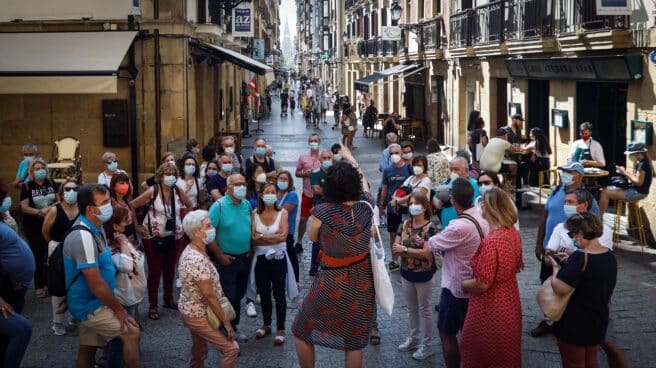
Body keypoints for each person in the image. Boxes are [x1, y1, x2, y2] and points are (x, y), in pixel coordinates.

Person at [292, 159, 376, 368]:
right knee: (354, 343)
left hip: (332, 280)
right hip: (362, 280)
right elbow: (364, 183)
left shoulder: (322, 212)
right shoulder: (367, 204)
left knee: (301, 329)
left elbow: (312, 237)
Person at [63, 184, 141, 368]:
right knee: (131, 333)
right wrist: (119, 310)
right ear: (90, 209)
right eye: (105, 202)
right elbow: (96, 282)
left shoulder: (96, 228)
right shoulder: (83, 235)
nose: (110, 206)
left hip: (92, 302)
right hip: (91, 306)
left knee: (87, 348)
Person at [426, 178, 490, 368]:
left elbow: (433, 243)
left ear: (453, 200)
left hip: (457, 287)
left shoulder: (458, 226)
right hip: (474, 283)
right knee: (470, 333)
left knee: (446, 332)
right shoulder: (480, 216)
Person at [532, 161, 600, 337]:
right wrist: (540, 242)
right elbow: (545, 216)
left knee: (570, 289)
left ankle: (567, 321)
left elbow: (596, 226)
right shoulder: (556, 192)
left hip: (575, 256)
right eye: (564, 171)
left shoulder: (587, 198)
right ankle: (549, 319)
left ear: (580, 176)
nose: (565, 175)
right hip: (550, 249)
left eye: (569, 172)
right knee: (547, 284)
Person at [460, 187, 523, 367]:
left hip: (491, 306)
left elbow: (482, 284)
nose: (480, 207)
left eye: (483, 204)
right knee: (505, 355)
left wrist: (464, 284)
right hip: (510, 299)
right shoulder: (512, 232)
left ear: (490, 208)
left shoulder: (493, 240)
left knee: (480, 352)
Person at [548, 213, 617, 368]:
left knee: (573, 363)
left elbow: (559, 287)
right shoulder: (609, 255)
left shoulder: (580, 258)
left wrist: (556, 268)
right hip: (598, 319)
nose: (573, 238)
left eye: (573, 234)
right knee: (591, 362)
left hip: (575, 322)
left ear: (580, 233)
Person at [130, 163, 193, 320]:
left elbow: (190, 205)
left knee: (170, 269)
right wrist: (137, 227)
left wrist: (183, 221)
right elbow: (131, 205)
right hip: (153, 235)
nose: (170, 176)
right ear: (160, 175)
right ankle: (153, 305)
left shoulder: (177, 190)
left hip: (173, 235)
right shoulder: (153, 190)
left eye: (173, 173)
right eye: (167, 173)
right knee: (155, 271)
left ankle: (168, 299)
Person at [178, 210, 239, 368]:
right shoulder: (196, 259)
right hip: (198, 313)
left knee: (200, 348)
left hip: (194, 310)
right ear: (197, 232)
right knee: (231, 349)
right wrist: (227, 324)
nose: (212, 228)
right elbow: (210, 296)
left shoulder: (197, 250)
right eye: (208, 225)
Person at [247, 182, 298, 345]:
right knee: (264, 292)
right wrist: (269, 238)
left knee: (279, 293)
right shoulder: (255, 213)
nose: (270, 194)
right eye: (266, 192)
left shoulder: (282, 212)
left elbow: (283, 237)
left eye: (273, 192)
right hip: (261, 259)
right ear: (261, 195)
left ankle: (281, 328)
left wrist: (262, 238)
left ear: (277, 195)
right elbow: (253, 237)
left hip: (278, 259)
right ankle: (267, 324)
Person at [391, 193, 437, 360]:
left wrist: (405, 250)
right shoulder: (404, 224)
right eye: (410, 203)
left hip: (424, 274)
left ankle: (427, 345)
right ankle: (414, 338)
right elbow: (395, 246)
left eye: (417, 203)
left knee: (425, 309)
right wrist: (404, 251)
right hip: (406, 272)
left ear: (425, 206)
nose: (413, 206)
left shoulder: (430, 227)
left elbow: (426, 253)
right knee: (412, 309)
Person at [208, 174, 253, 344]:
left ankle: (230, 325)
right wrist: (219, 255)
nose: (241, 187)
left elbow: (251, 227)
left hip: (245, 258)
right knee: (229, 295)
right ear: (228, 188)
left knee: (239, 294)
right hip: (227, 259)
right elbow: (208, 233)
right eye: (237, 184)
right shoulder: (218, 207)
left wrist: (251, 248)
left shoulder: (247, 204)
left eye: (243, 183)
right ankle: (229, 329)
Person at [105, 205, 147, 368]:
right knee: (120, 339)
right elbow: (127, 266)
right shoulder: (113, 247)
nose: (130, 223)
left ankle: (130, 355)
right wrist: (123, 243)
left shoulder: (122, 240)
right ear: (115, 226)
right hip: (124, 299)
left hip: (133, 297)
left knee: (128, 333)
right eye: (126, 220)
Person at [0, 177, 35, 368]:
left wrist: (11, 276)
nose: (6, 199)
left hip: (13, 286)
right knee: (21, 329)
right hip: (6, 291)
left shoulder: (3, 218)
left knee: (6, 337)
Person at [42, 179, 80, 335]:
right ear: (61, 193)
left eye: (75, 189)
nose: (71, 192)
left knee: (77, 283)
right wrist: (54, 246)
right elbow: (45, 231)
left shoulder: (82, 208)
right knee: (58, 286)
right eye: (67, 189)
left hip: (77, 251)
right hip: (58, 249)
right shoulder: (55, 210)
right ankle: (57, 322)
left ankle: (76, 317)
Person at [20, 158, 56, 298]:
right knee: (38, 255)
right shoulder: (27, 186)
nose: (40, 171)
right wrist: (41, 212)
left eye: (42, 168)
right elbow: (24, 207)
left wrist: (49, 209)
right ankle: (39, 285)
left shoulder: (51, 182)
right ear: (32, 172)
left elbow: (59, 200)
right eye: (37, 169)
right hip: (33, 226)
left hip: (51, 223)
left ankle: (51, 283)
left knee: (51, 254)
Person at [379, 143, 411, 271]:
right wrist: (381, 206)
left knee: (408, 234)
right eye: (391, 154)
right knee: (393, 234)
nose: (394, 156)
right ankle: (394, 260)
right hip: (392, 208)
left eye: (396, 153)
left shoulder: (409, 169)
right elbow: (384, 189)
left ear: (402, 154)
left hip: (407, 207)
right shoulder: (387, 170)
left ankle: (408, 258)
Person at [599, 142, 654, 214]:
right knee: (606, 189)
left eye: (631, 154)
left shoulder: (643, 165)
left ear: (638, 153)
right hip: (635, 190)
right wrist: (623, 172)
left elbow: (639, 182)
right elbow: (636, 178)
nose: (630, 156)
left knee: (605, 193)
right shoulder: (642, 163)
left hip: (638, 193)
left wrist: (624, 172)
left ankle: (599, 219)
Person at [307, 150, 334, 275]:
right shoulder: (315, 173)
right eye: (325, 157)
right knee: (317, 240)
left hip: (335, 211)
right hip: (320, 211)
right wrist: (335, 191)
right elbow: (316, 190)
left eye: (329, 157)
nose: (327, 159)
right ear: (320, 159)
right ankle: (314, 266)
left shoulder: (337, 172)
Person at [295, 134, 322, 254]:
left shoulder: (324, 157)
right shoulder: (303, 157)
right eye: (311, 141)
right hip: (308, 193)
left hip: (321, 194)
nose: (313, 143)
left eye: (315, 141)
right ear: (308, 142)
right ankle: (299, 242)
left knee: (322, 220)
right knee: (303, 219)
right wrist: (304, 174)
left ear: (319, 142)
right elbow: (297, 172)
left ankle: (322, 243)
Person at [435, 156, 481, 229]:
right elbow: (438, 206)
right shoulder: (446, 183)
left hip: (466, 226)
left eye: (456, 169)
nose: (453, 172)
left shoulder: (475, 184)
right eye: (451, 169)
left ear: (466, 171)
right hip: (447, 225)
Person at [276, 171, 300, 283]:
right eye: (280, 178)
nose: (282, 181)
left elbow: (282, 211)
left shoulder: (292, 195)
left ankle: (295, 280)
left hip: (287, 232)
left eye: (285, 179)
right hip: (273, 232)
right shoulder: (273, 193)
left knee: (290, 256)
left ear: (289, 182)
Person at [109, 171, 146, 243]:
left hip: (130, 236)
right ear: (113, 186)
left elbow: (133, 216)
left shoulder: (126, 201)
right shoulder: (111, 202)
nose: (125, 185)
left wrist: (137, 227)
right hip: (119, 239)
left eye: (127, 183)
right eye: (122, 183)